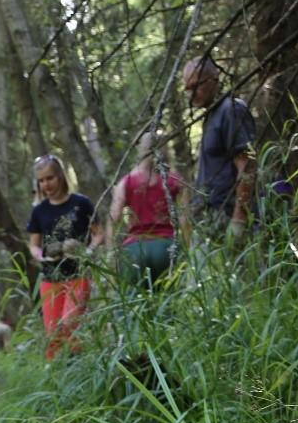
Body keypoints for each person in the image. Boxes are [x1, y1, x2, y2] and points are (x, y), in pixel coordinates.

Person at [25, 153, 96, 359]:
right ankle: (56, 378)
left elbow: (99, 235)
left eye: (50, 178)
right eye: (41, 180)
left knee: (70, 324)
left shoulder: (81, 203)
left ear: (60, 176)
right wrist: (44, 255)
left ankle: (79, 367)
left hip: (78, 274)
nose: (46, 184)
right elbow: (33, 246)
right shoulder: (39, 211)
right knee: (53, 335)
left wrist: (85, 251)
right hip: (50, 278)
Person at [182, 56, 256, 237]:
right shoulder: (211, 116)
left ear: (214, 81)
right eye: (187, 88)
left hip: (226, 215)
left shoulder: (231, 110)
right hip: (208, 217)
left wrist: (239, 218)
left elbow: (247, 166)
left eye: (196, 86)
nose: (191, 94)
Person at [106, 131, 189, 290]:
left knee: (136, 307)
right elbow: (185, 219)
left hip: (134, 251)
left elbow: (114, 217)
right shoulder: (175, 180)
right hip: (166, 248)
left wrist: (112, 254)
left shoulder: (127, 181)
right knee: (170, 304)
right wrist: (187, 250)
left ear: (141, 150)